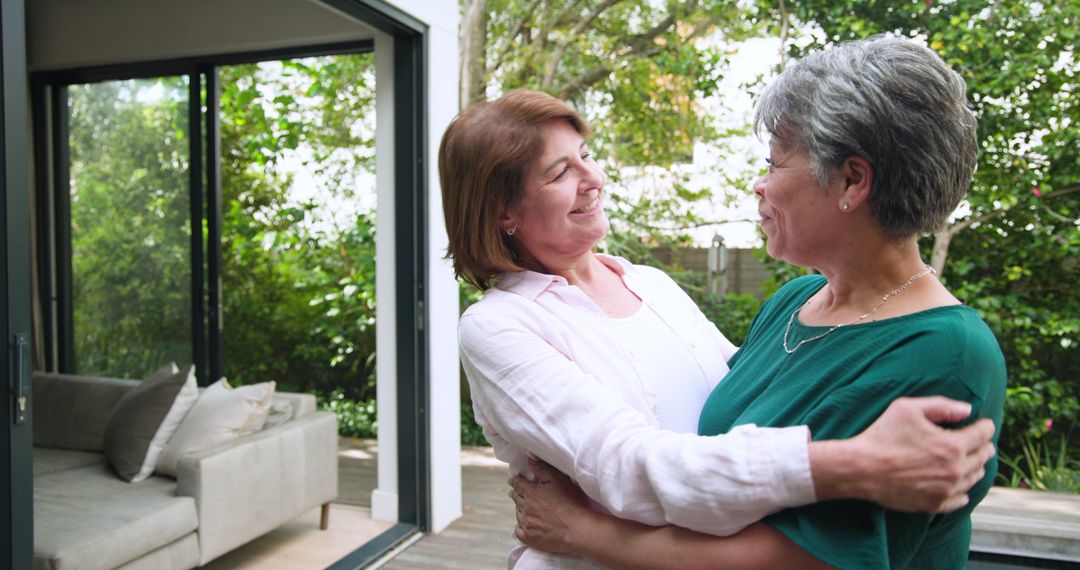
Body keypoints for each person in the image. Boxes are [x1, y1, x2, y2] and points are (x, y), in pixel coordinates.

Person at [441, 75, 996, 568]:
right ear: (502, 213)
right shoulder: (500, 325)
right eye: (561, 171)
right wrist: (848, 463)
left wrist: (583, 528)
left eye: (587, 155)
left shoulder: (651, 283)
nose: (595, 178)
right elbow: (628, 463)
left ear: (853, 182)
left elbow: (738, 420)